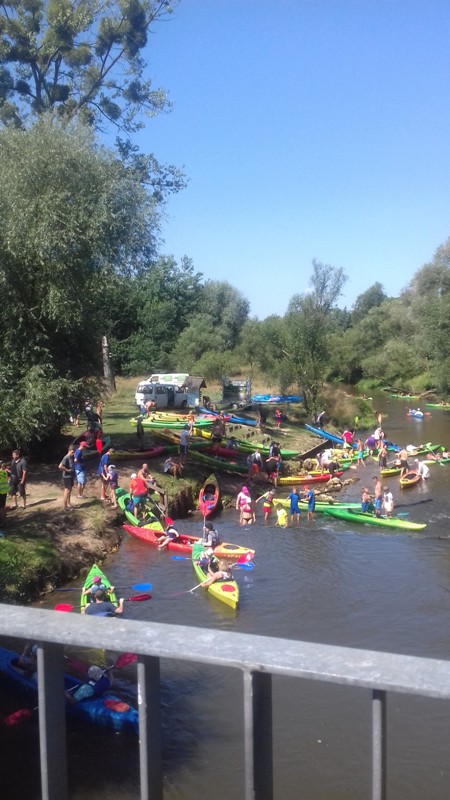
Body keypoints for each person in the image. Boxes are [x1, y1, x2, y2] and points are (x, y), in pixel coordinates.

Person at [59, 444, 76, 511]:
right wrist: (67, 470)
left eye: (74, 452)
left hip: (71, 476)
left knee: (70, 490)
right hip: (67, 477)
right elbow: (60, 466)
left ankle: (69, 504)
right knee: (67, 490)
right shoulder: (66, 457)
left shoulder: (71, 457)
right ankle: (65, 507)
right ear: (69, 450)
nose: (73, 453)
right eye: (72, 452)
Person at [0, 459, 9, 526]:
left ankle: (2, 522)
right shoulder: (5, 472)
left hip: (0, 491)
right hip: (4, 491)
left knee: (0, 508)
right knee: (3, 507)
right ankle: (4, 521)